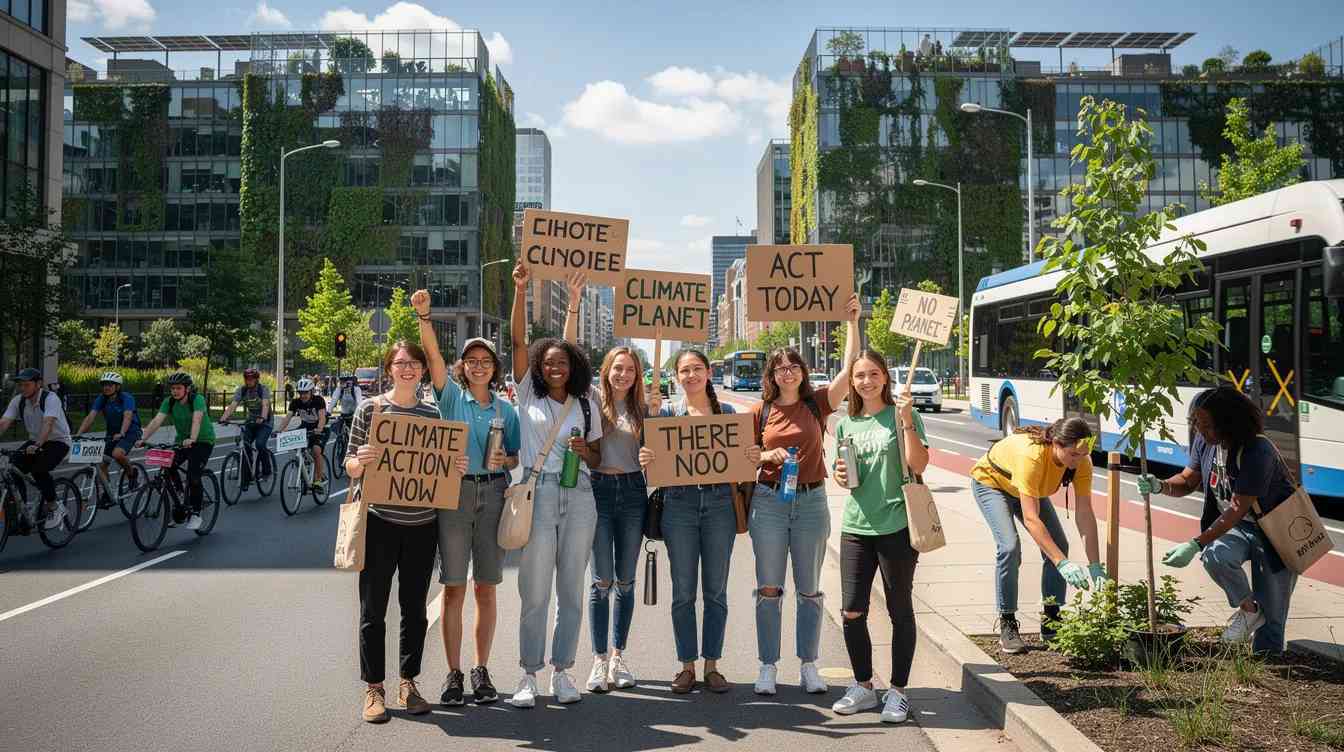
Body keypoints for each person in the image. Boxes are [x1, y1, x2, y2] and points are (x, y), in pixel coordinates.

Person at [412, 290, 522, 708]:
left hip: (494, 493)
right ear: (463, 367)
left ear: (494, 369)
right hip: (455, 495)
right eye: (472, 360)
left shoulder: (506, 411)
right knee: (454, 587)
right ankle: (454, 673)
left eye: (486, 361)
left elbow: (514, 454)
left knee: (487, 589)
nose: (478, 366)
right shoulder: (451, 398)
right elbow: (434, 359)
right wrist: (425, 316)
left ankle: (481, 669)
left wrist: (506, 457)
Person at [749, 294, 860, 697]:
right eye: (779, 368)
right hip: (769, 503)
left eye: (793, 366)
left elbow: (850, 372)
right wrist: (765, 453)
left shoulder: (817, 404)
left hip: (812, 502)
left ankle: (809, 665)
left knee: (809, 588)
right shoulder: (760, 412)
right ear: (772, 375)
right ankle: (767, 666)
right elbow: (743, 458)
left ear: (802, 370)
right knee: (769, 588)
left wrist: (852, 323)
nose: (787, 372)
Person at [346, 341, 461, 723]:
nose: (407, 369)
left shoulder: (433, 415)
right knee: (373, 609)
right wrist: (358, 463)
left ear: (423, 370)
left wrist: (453, 466)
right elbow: (348, 462)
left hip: (421, 527)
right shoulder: (371, 409)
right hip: (379, 523)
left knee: (415, 610)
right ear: (389, 369)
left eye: (414, 363)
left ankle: (408, 683)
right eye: (400, 363)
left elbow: (440, 467)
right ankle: (374, 688)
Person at [507, 261, 604, 707]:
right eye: (547, 363)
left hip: (580, 496)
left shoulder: (587, 402)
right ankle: (529, 674)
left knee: (571, 588)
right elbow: (516, 341)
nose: (554, 368)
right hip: (539, 492)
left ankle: (563, 672)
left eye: (562, 362)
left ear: (573, 365)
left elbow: (598, 456)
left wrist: (586, 453)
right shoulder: (528, 394)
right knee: (535, 589)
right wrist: (522, 291)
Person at [639, 349, 762, 695]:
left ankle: (712, 665)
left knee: (716, 591)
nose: (690, 375)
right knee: (682, 591)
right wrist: (646, 456)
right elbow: (651, 465)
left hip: (720, 504)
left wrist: (752, 455)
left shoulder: (727, 414)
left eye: (696, 369)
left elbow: (745, 461)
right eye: (683, 370)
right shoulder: (665, 414)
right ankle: (686, 666)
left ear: (708, 372)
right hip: (679, 505)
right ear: (676, 376)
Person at [558, 273, 660, 694]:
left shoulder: (647, 406)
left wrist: (655, 418)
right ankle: (598, 662)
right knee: (600, 582)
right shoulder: (589, 403)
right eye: (617, 368)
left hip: (634, 494)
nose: (623, 374)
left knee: (626, 581)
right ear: (606, 371)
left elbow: (672, 451)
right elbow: (565, 352)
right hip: (598, 492)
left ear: (637, 375)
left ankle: (619, 657)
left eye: (630, 369)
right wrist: (575, 302)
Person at [1138, 386, 1298, 651]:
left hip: (1274, 532)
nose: (1200, 430)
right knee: (1216, 556)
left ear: (1229, 423)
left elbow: (1236, 508)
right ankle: (1248, 610)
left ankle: (1268, 660)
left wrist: (1195, 543)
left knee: (1272, 617)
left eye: (1206, 425)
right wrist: (1161, 486)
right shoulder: (1205, 442)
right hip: (1238, 528)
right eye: (1197, 423)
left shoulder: (1258, 451)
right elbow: (1188, 480)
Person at [828, 349, 928, 722]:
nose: (866, 381)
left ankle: (899, 692)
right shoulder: (846, 422)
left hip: (897, 525)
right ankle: (864, 686)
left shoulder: (905, 414)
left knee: (899, 610)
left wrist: (904, 420)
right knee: (852, 611)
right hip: (856, 525)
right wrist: (840, 475)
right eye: (859, 376)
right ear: (852, 382)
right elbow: (844, 472)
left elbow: (918, 465)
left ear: (885, 377)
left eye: (873, 374)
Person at [970, 416, 1107, 654]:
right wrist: (1062, 563)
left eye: (1083, 454)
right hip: (993, 484)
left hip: (1028, 488)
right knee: (1009, 546)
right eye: (1073, 455)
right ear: (1056, 444)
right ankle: (1008, 623)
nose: (1078, 460)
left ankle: (1051, 619)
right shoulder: (1032, 457)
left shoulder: (1081, 461)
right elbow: (1032, 519)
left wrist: (1095, 564)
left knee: (1059, 544)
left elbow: (1085, 513)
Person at [136, 372, 214, 531]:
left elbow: (196, 420)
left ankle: (196, 513)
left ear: (187, 389)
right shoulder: (169, 402)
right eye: (172, 388)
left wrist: (192, 438)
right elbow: (157, 420)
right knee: (168, 464)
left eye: (178, 388)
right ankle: (179, 494)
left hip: (202, 441)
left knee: (193, 476)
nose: (175, 391)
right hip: (181, 442)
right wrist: (143, 438)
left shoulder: (197, 400)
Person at [0, 368, 74, 529]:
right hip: (34, 441)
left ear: (38, 384)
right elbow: (4, 423)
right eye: (21, 385)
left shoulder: (50, 398)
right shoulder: (18, 400)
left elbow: (48, 423)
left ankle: (54, 506)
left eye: (27, 385)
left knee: (39, 469)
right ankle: (23, 511)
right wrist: (35, 444)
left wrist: (38, 445)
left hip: (58, 441)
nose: (23, 388)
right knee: (12, 469)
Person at [74, 371, 143, 503]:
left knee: (117, 454)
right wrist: (78, 434)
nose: (106, 387)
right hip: (112, 434)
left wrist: (122, 432)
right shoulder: (102, 399)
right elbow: (90, 417)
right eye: (104, 385)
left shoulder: (126, 398)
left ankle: (132, 474)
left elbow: (127, 416)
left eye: (110, 385)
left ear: (117, 387)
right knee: (100, 462)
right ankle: (108, 492)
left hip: (130, 432)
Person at [218, 368, 273, 484]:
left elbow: (265, 405)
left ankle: (267, 471)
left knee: (260, 444)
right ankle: (247, 476)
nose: (249, 381)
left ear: (256, 379)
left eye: (251, 378)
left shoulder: (263, 390)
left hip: (265, 422)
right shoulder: (242, 390)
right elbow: (233, 405)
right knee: (245, 445)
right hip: (251, 421)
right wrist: (224, 417)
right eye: (246, 378)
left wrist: (262, 417)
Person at [277, 378, 328, 494]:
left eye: (306, 393)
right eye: (300, 393)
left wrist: (319, 429)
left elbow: (322, 417)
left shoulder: (318, 400)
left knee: (316, 450)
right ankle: (305, 464)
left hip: (319, 428)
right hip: (305, 427)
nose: (303, 395)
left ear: (311, 392)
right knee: (295, 444)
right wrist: (279, 430)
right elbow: (288, 417)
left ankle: (318, 480)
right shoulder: (295, 402)